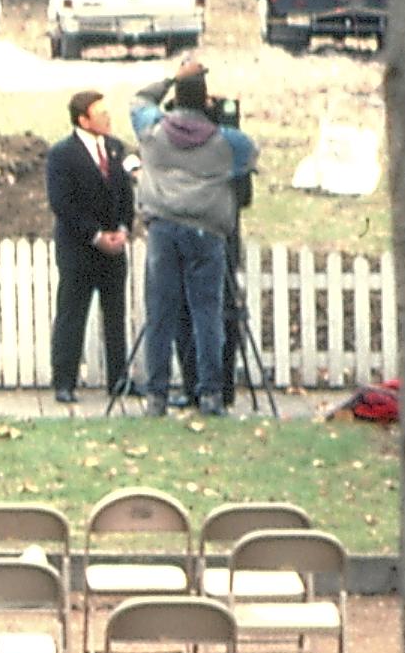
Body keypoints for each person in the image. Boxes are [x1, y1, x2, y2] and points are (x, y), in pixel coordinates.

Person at [130, 60, 258, 419]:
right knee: (207, 315)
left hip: (163, 229)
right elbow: (250, 154)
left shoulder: (152, 130)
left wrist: (174, 76)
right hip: (206, 232)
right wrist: (220, 119)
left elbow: (139, 99)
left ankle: (156, 396)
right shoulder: (226, 141)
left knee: (160, 314)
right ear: (205, 102)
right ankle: (211, 394)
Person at [45, 88, 137, 406]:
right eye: (101, 114)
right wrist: (96, 235)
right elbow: (62, 204)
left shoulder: (115, 149)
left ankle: (119, 378)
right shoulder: (62, 155)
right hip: (79, 249)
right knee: (72, 314)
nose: (108, 118)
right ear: (83, 120)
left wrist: (123, 229)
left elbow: (126, 195)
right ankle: (65, 381)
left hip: (114, 247)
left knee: (115, 315)